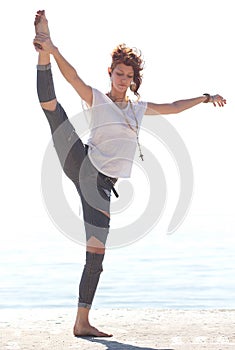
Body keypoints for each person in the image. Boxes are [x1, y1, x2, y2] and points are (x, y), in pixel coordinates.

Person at [33, 10, 226, 337]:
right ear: (110, 73)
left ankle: (82, 322)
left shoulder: (137, 109)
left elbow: (175, 106)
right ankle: (42, 52)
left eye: (128, 76)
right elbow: (74, 78)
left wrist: (206, 98)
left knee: (96, 254)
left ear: (134, 80)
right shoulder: (97, 99)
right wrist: (52, 50)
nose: (122, 79)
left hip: (102, 186)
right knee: (52, 108)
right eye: (118, 73)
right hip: (82, 163)